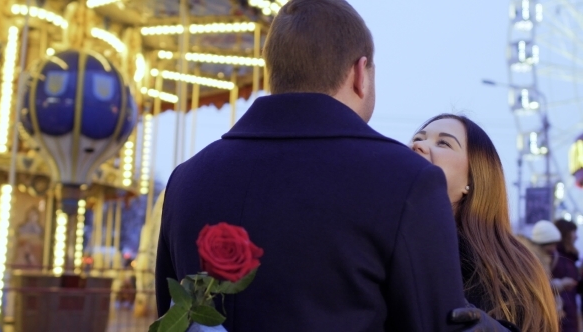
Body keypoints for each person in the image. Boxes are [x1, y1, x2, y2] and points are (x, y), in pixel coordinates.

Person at [157, 1, 505, 331]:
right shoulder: (406, 181)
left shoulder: (186, 180)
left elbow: (171, 317)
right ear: (360, 74)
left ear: (273, 72)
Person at [410, 114, 559, 331]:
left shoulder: (514, 269)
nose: (418, 145)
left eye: (444, 142)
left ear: (472, 178)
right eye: (418, 138)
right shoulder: (375, 240)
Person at [552, 219, 579, 332]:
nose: (576, 236)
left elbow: (576, 287)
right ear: (565, 233)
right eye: (573, 232)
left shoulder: (571, 257)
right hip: (559, 314)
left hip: (570, 313)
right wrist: (562, 284)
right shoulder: (554, 257)